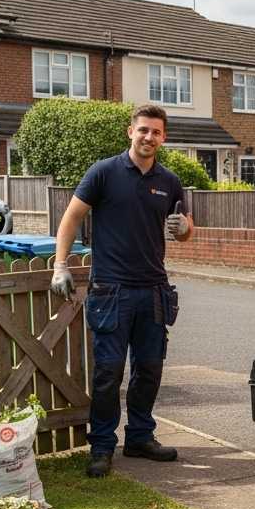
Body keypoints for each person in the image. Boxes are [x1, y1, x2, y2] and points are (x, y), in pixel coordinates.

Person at [51, 105, 194, 478]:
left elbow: (187, 229)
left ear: (163, 137)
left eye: (157, 132)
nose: (149, 137)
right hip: (110, 290)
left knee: (149, 369)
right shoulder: (104, 173)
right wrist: (60, 265)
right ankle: (101, 446)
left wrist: (184, 228)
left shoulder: (170, 180)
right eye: (143, 130)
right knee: (108, 373)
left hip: (154, 290)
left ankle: (140, 438)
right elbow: (71, 217)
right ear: (130, 132)